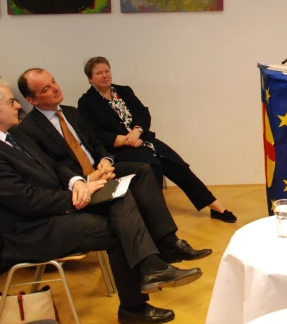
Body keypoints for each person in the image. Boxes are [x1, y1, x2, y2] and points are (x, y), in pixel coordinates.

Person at [0, 78, 205, 324]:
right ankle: (135, 301)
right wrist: (77, 195)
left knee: (119, 197)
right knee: (119, 228)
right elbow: (27, 200)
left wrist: (77, 182)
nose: (17, 106)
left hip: (50, 211)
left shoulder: (11, 135)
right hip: (30, 231)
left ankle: (152, 268)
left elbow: (53, 165)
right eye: (10, 102)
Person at [16, 68, 211, 263]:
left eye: (53, 81)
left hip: (101, 171)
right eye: (46, 89)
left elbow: (96, 144)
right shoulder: (28, 130)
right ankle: (150, 260)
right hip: (80, 187)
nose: (55, 88)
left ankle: (169, 243)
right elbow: (50, 171)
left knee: (143, 170)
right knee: (125, 193)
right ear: (32, 100)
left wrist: (105, 161)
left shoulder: (71, 112)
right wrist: (87, 179)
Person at [77, 57, 236, 223]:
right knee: (153, 166)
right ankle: (158, 218)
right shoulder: (86, 102)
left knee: (176, 164)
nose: (105, 75)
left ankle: (215, 206)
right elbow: (94, 134)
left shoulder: (124, 91)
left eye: (107, 71)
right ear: (90, 78)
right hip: (119, 149)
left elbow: (144, 113)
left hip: (143, 140)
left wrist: (137, 131)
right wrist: (126, 140)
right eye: (99, 73)